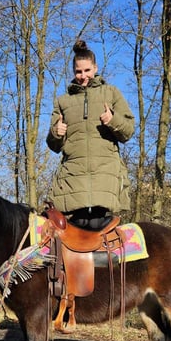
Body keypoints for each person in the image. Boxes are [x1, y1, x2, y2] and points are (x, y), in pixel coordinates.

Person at [46, 40, 135, 230]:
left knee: (100, 234)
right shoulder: (63, 101)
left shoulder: (111, 93)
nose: (83, 76)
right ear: (73, 72)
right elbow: (53, 145)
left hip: (105, 177)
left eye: (87, 70)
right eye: (78, 71)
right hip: (72, 180)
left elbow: (128, 131)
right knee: (73, 235)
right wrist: (56, 132)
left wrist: (112, 120)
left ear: (95, 68)